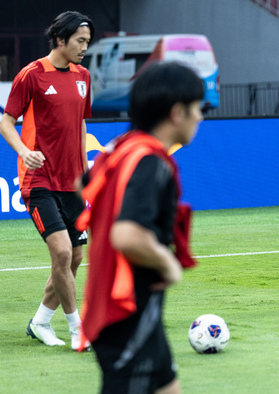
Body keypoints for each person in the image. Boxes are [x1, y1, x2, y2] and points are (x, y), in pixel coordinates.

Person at [76, 62, 203, 393]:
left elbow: (83, 183)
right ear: (177, 113)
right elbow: (127, 235)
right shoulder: (150, 161)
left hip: (128, 309)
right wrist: (168, 263)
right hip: (126, 312)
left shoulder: (123, 146)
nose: (200, 117)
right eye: (197, 109)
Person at [0, 11, 94, 350]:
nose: (85, 47)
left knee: (76, 258)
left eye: (87, 41)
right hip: (38, 179)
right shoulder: (32, 74)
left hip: (72, 181)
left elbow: (81, 126)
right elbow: (7, 121)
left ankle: (40, 322)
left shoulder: (83, 75)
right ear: (60, 39)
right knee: (62, 251)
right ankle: (76, 330)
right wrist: (24, 151)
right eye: (80, 41)